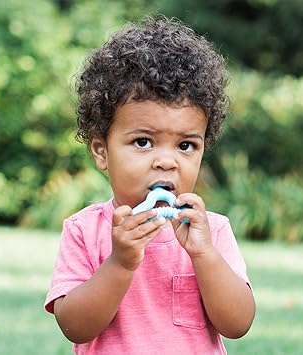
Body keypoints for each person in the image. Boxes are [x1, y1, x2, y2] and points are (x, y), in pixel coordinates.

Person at [44, 14, 255, 355]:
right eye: (143, 142)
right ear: (102, 151)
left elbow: (238, 324)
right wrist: (120, 262)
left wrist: (203, 255)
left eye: (186, 145)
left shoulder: (211, 232)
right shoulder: (85, 230)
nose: (167, 161)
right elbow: (75, 327)